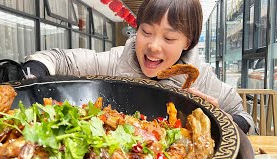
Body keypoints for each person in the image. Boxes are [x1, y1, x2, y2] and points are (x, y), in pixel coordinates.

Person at [22, 0, 256, 134]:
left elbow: (247, 120)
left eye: (169, 38)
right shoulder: (116, 61)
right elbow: (60, 59)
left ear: (188, 42)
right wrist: (34, 71)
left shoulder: (202, 77)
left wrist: (221, 118)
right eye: (146, 32)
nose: (153, 46)